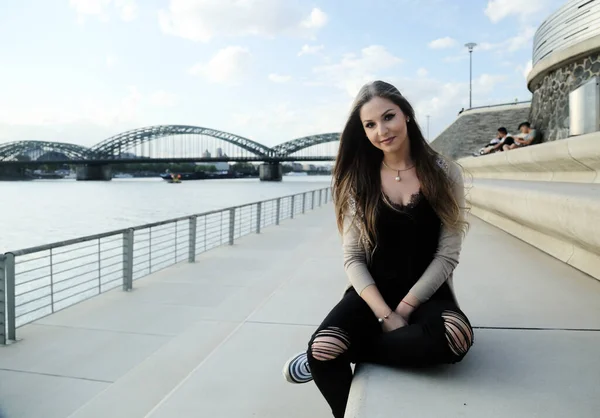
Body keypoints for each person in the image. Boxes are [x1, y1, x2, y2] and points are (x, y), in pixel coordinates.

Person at [281, 80, 474, 418]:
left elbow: (447, 254)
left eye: (388, 117)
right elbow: (353, 258)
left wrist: (406, 307)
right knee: (326, 349)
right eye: (369, 125)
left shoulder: (445, 173)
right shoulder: (360, 179)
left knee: (455, 338)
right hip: (371, 294)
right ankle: (329, 361)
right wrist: (385, 314)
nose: (381, 130)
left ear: (407, 116)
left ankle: (340, 351)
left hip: (429, 294)